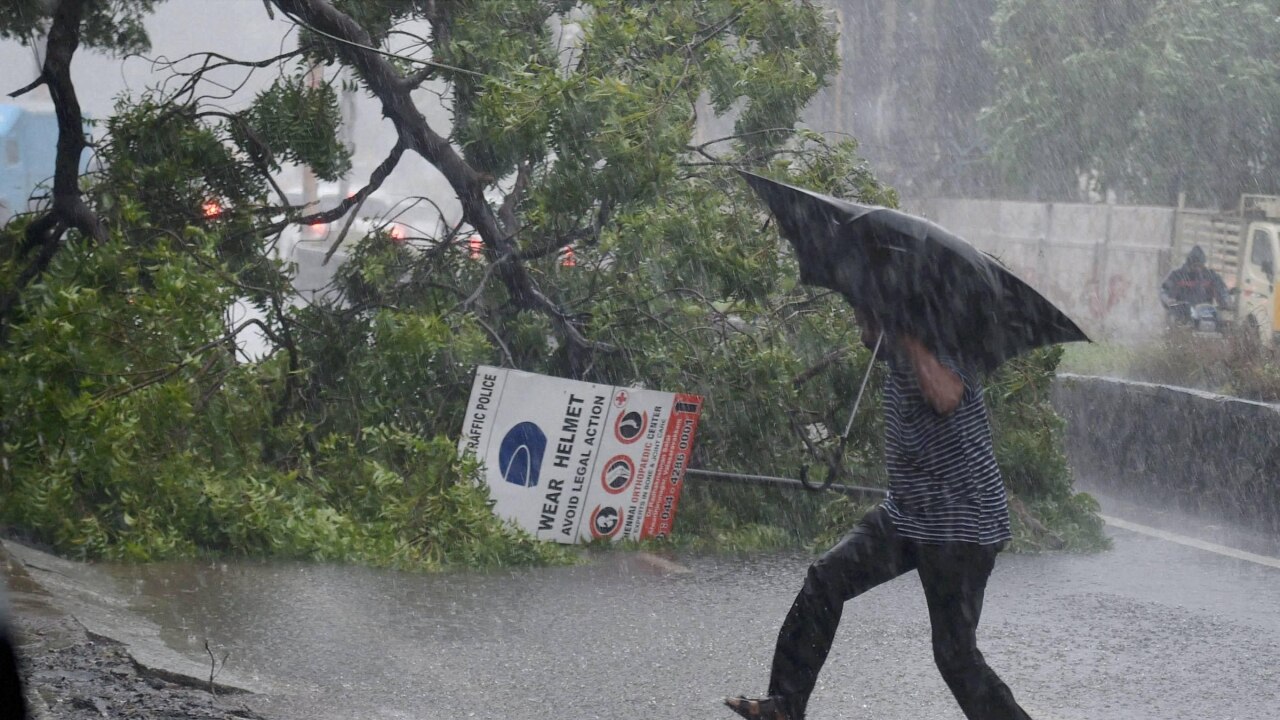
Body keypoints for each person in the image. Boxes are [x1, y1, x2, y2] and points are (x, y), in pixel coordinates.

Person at [725, 307, 1031, 720]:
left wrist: (906, 334)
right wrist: (890, 331)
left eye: (868, 318)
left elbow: (947, 395)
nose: (863, 331)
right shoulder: (900, 356)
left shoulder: (942, 344)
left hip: (961, 523)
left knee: (955, 656)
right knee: (826, 579)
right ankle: (785, 704)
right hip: (907, 514)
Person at [1160, 245, 1230, 320]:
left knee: (1220, 325)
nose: (1198, 268)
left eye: (1200, 265)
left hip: (1205, 315)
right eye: (1195, 265)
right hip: (1183, 316)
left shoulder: (1210, 276)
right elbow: (1165, 291)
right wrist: (1169, 301)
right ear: (1189, 264)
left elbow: (1220, 288)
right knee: (1180, 327)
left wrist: (1225, 300)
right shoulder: (1177, 276)